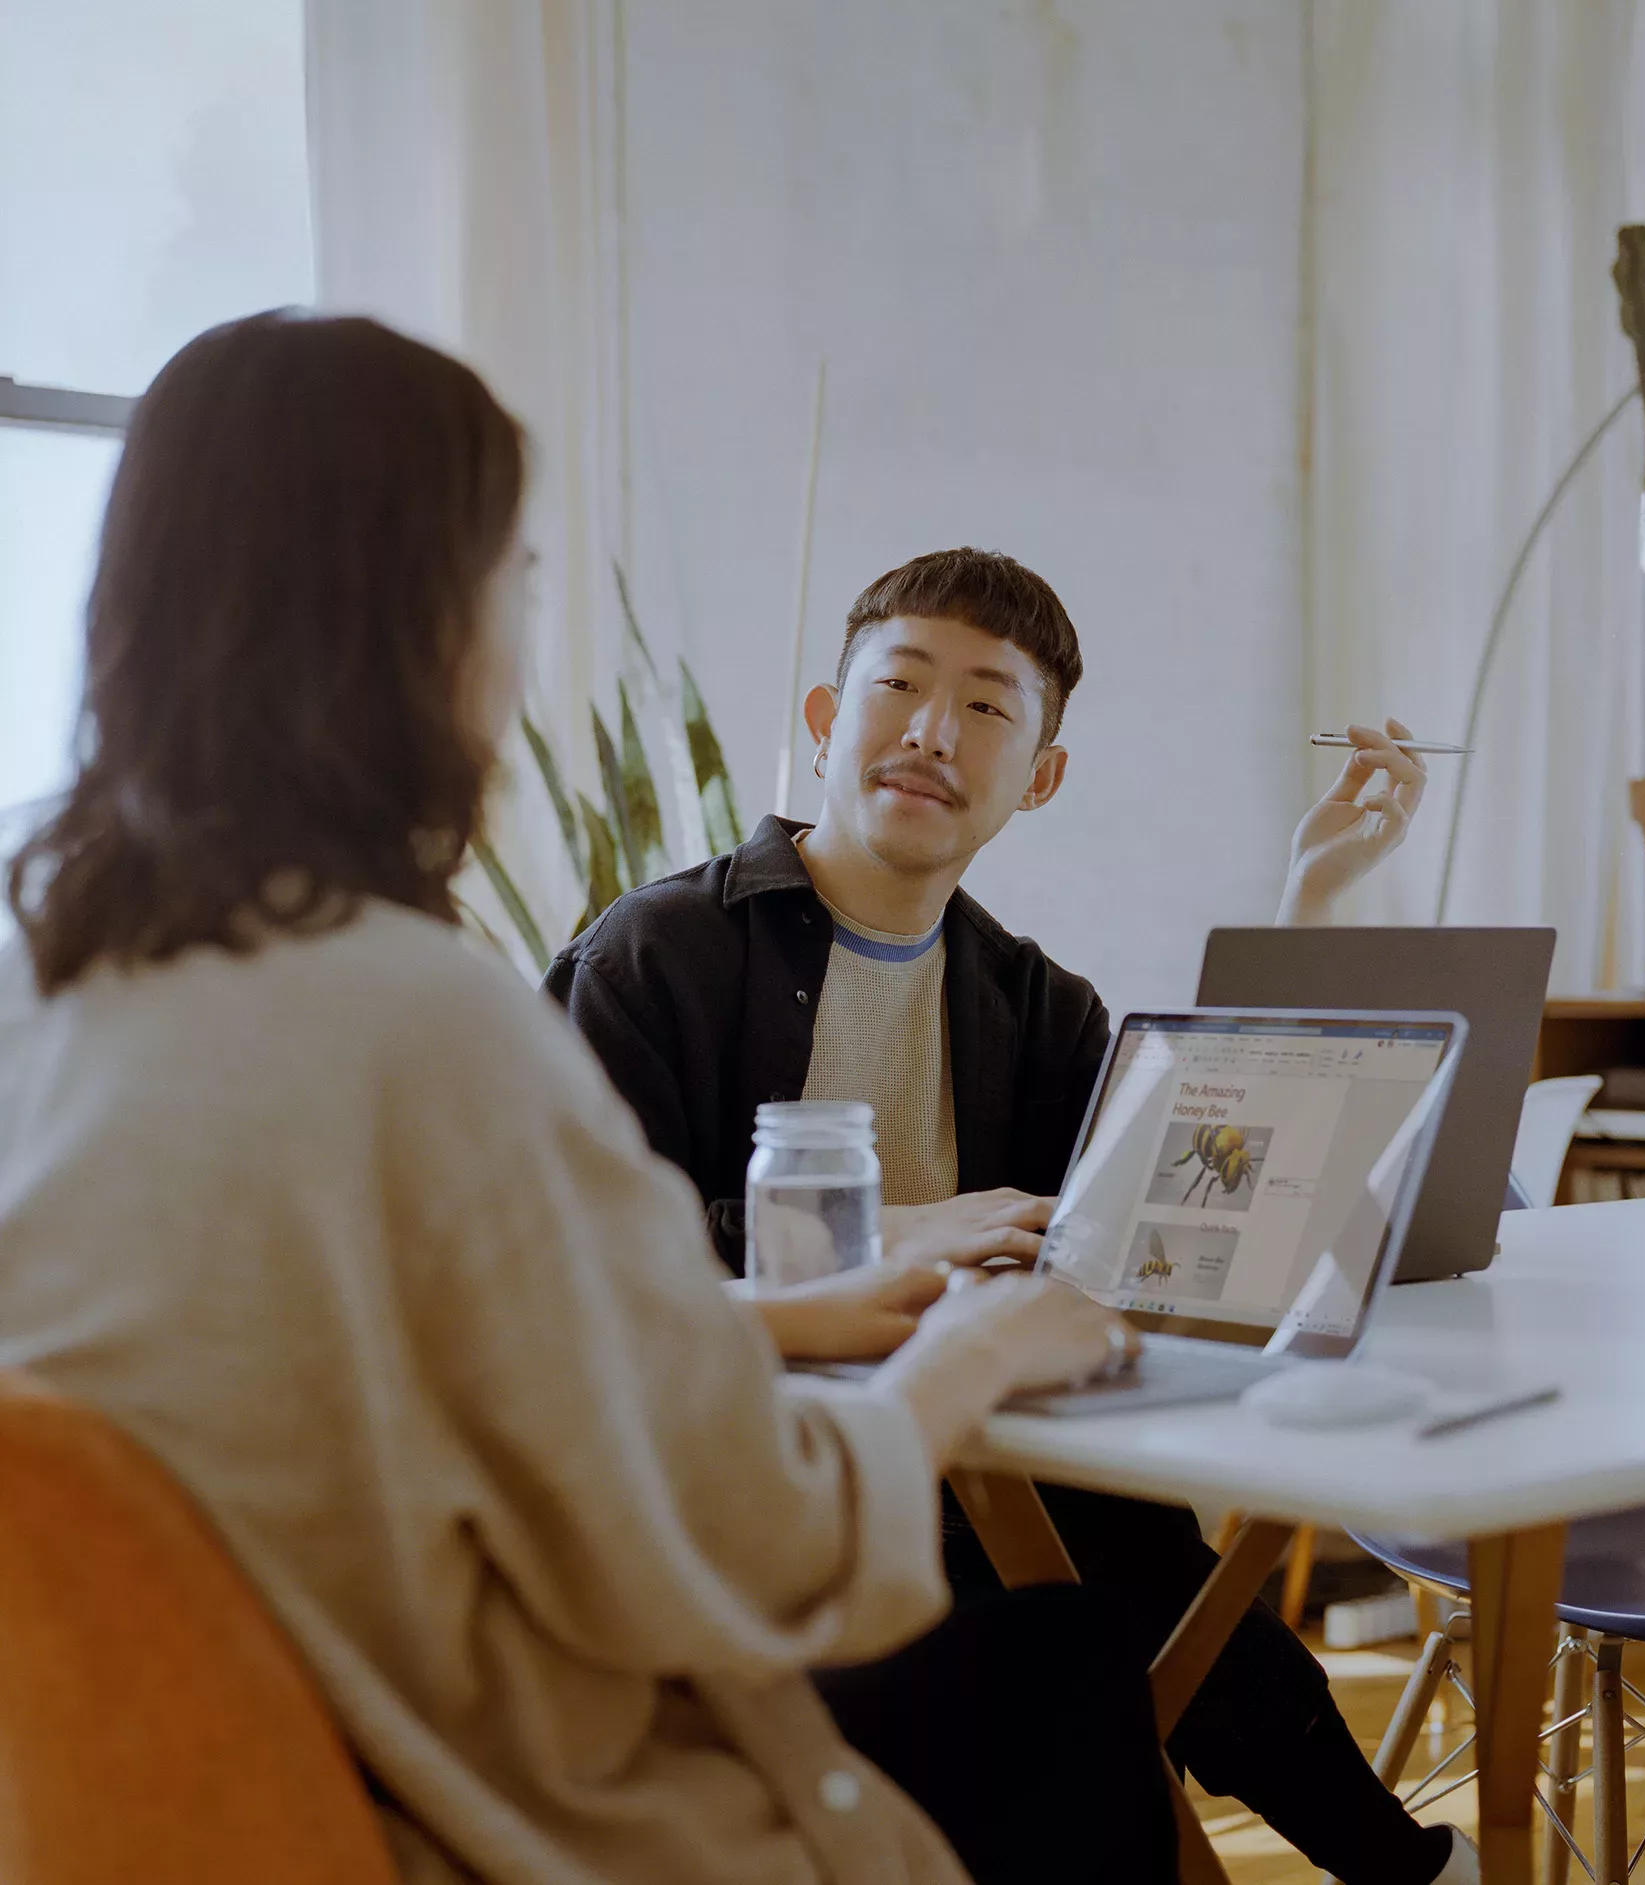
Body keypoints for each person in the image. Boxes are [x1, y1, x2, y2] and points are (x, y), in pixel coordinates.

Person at [0, 316, 1182, 1885]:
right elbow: (759, 1549)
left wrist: (768, 1320)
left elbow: (351, 1354)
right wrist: (968, 1354)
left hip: (176, 1801)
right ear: (423, 622)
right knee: (1065, 1672)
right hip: (478, 1807)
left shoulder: (45, 974)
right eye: (518, 581)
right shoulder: (431, 1021)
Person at [546, 548, 1476, 1885]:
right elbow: (595, 1266)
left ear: (1038, 774)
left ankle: (1407, 1873)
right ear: (825, 719)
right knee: (1085, 1649)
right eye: (901, 686)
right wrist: (901, 1233)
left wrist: (1309, 897)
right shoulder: (658, 956)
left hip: (977, 1468)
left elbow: (1166, 1212)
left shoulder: (1039, 1006)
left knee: (1152, 1578)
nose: (934, 731)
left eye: (989, 706)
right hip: (731, 1490)